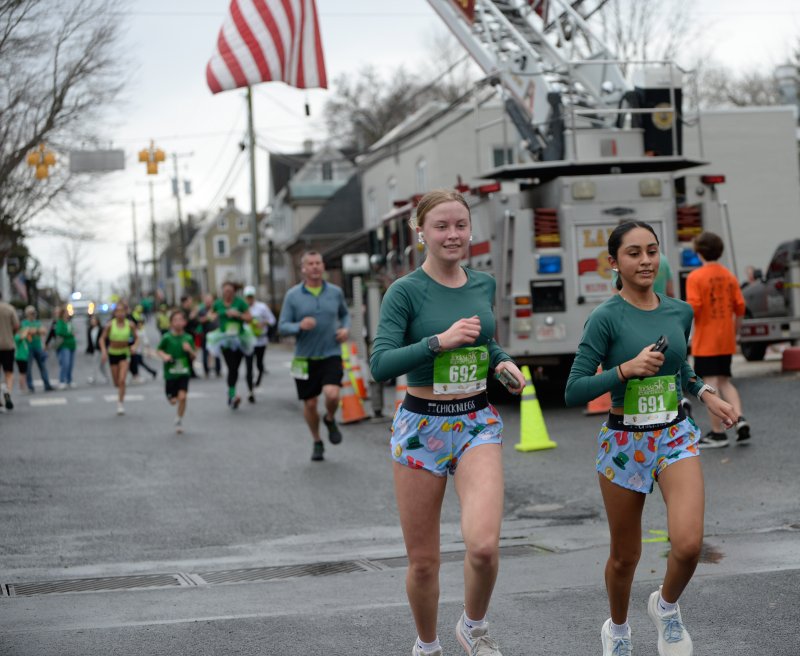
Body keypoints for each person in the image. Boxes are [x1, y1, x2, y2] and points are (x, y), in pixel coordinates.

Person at [565, 221, 738, 656]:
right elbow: (573, 389)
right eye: (633, 253)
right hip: (625, 442)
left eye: (652, 251)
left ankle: (666, 606)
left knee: (688, 544)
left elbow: (679, 367)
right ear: (615, 263)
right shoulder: (605, 318)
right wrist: (623, 370)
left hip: (674, 434)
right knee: (625, 556)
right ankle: (619, 630)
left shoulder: (679, 311)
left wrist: (704, 392)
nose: (645, 261)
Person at [370, 190, 525, 656]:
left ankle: (473, 626)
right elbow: (380, 364)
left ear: (471, 230)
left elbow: (486, 343)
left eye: (460, 225)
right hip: (422, 425)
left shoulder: (483, 284)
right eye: (441, 226)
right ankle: (427, 644)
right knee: (423, 564)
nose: (452, 234)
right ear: (421, 233)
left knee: (483, 548)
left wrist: (501, 363)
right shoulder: (404, 291)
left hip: (477, 420)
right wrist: (437, 342)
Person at [279, 251, 351, 462]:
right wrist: (298, 325)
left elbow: (345, 314)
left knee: (332, 394)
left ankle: (329, 418)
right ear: (303, 268)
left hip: (331, 353)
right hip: (303, 358)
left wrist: (345, 329)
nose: (314, 267)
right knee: (310, 404)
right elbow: (282, 326)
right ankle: (317, 440)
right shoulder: (292, 296)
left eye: (318, 263)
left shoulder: (335, 292)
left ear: (323, 266)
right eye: (310, 264)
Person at [685, 232, 750, 448]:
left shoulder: (695, 277)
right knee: (725, 381)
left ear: (699, 252)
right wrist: (735, 331)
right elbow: (740, 308)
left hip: (706, 340)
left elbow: (693, 308)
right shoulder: (729, 276)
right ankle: (740, 419)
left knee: (709, 385)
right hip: (726, 339)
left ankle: (718, 433)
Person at [207, 281, 254, 409]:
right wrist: (220, 314)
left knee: (236, 368)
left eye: (230, 291)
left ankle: (231, 394)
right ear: (222, 292)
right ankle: (232, 394)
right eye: (225, 291)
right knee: (231, 367)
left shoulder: (240, 302)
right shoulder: (218, 303)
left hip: (239, 338)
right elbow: (209, 316)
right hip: (224, 338)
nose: (228, 293)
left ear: (234, 292)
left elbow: (249, 317)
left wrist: (238, 314)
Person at [156, 309, 196, 434]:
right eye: (175, 320)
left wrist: (189, 350)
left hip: (184, 372)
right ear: (171, 323)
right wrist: (165, 356)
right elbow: (158, 350)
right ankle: (173, 400)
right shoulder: (167, 337)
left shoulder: (188, 338)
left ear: (185, 322)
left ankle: (179, 419)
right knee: (173, 401)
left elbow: (194, 356)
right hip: (170, 373)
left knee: (183, 397)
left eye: (180, 320)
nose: (178, 322)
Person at [100, 302, 139, 415]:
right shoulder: (110, 325)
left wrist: (134, 347)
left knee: (122, 380)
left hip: (125, 353)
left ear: (125, 312)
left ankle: (120, 403)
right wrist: (104, 351)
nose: (120, 314)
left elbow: (137, 338)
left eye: (122, 311)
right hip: (113, 353)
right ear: (115, 313)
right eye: (118, 311)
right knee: (116, 382)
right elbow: (102, 339)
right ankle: (119, 391)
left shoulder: (130, 324)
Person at [244, 285, 276, 394]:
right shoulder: (242, 308)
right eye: (247, 297)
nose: (249, 299)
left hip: (261, 340)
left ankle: (258, 380)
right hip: (248, 341)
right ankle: (250, 391)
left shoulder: (262, 307)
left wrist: (263, 323)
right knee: (248, 366)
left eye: (251, 296)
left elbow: (272, 320)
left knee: (259, 364)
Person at [21, 306, 53, 392]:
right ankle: (30, 386)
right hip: (28, 348)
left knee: (43, 366)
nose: (33, 315)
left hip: (38, 347)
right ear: (27, 314)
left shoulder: (37, 322)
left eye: (34, 313)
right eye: (31, 313)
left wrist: (33, 331)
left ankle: (47, 384)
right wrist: (36, 331)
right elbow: (26, 331)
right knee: (28, 368)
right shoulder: (24, 323)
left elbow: (43, 331)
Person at [0, 292, 20, 411]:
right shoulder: (9, 309)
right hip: (8, 345)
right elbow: (17, 325)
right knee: (9, 372)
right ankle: (7, 390)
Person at [197, 293, 222, 378]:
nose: (208, 302)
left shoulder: (217, 309)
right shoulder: (202, 310)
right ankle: (206, 371)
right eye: (206, 301)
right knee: (205, 353)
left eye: (210, 301)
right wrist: (208, 317)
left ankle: (218, 371)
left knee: (217, 353)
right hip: (206, 335)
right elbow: (200, 320)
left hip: (216, 335)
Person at [54, 308, 77, 389]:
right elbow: (59, 332)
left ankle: (69, 380)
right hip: (64, 345)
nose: (67, 314)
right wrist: (69, 334)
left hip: (72, 345)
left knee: (70, 364)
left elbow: (73, 331)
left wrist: (71, 333)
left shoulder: (69, 322)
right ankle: (62, 380)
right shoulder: (60, 322)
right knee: (65, 364)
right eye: (66, 312)